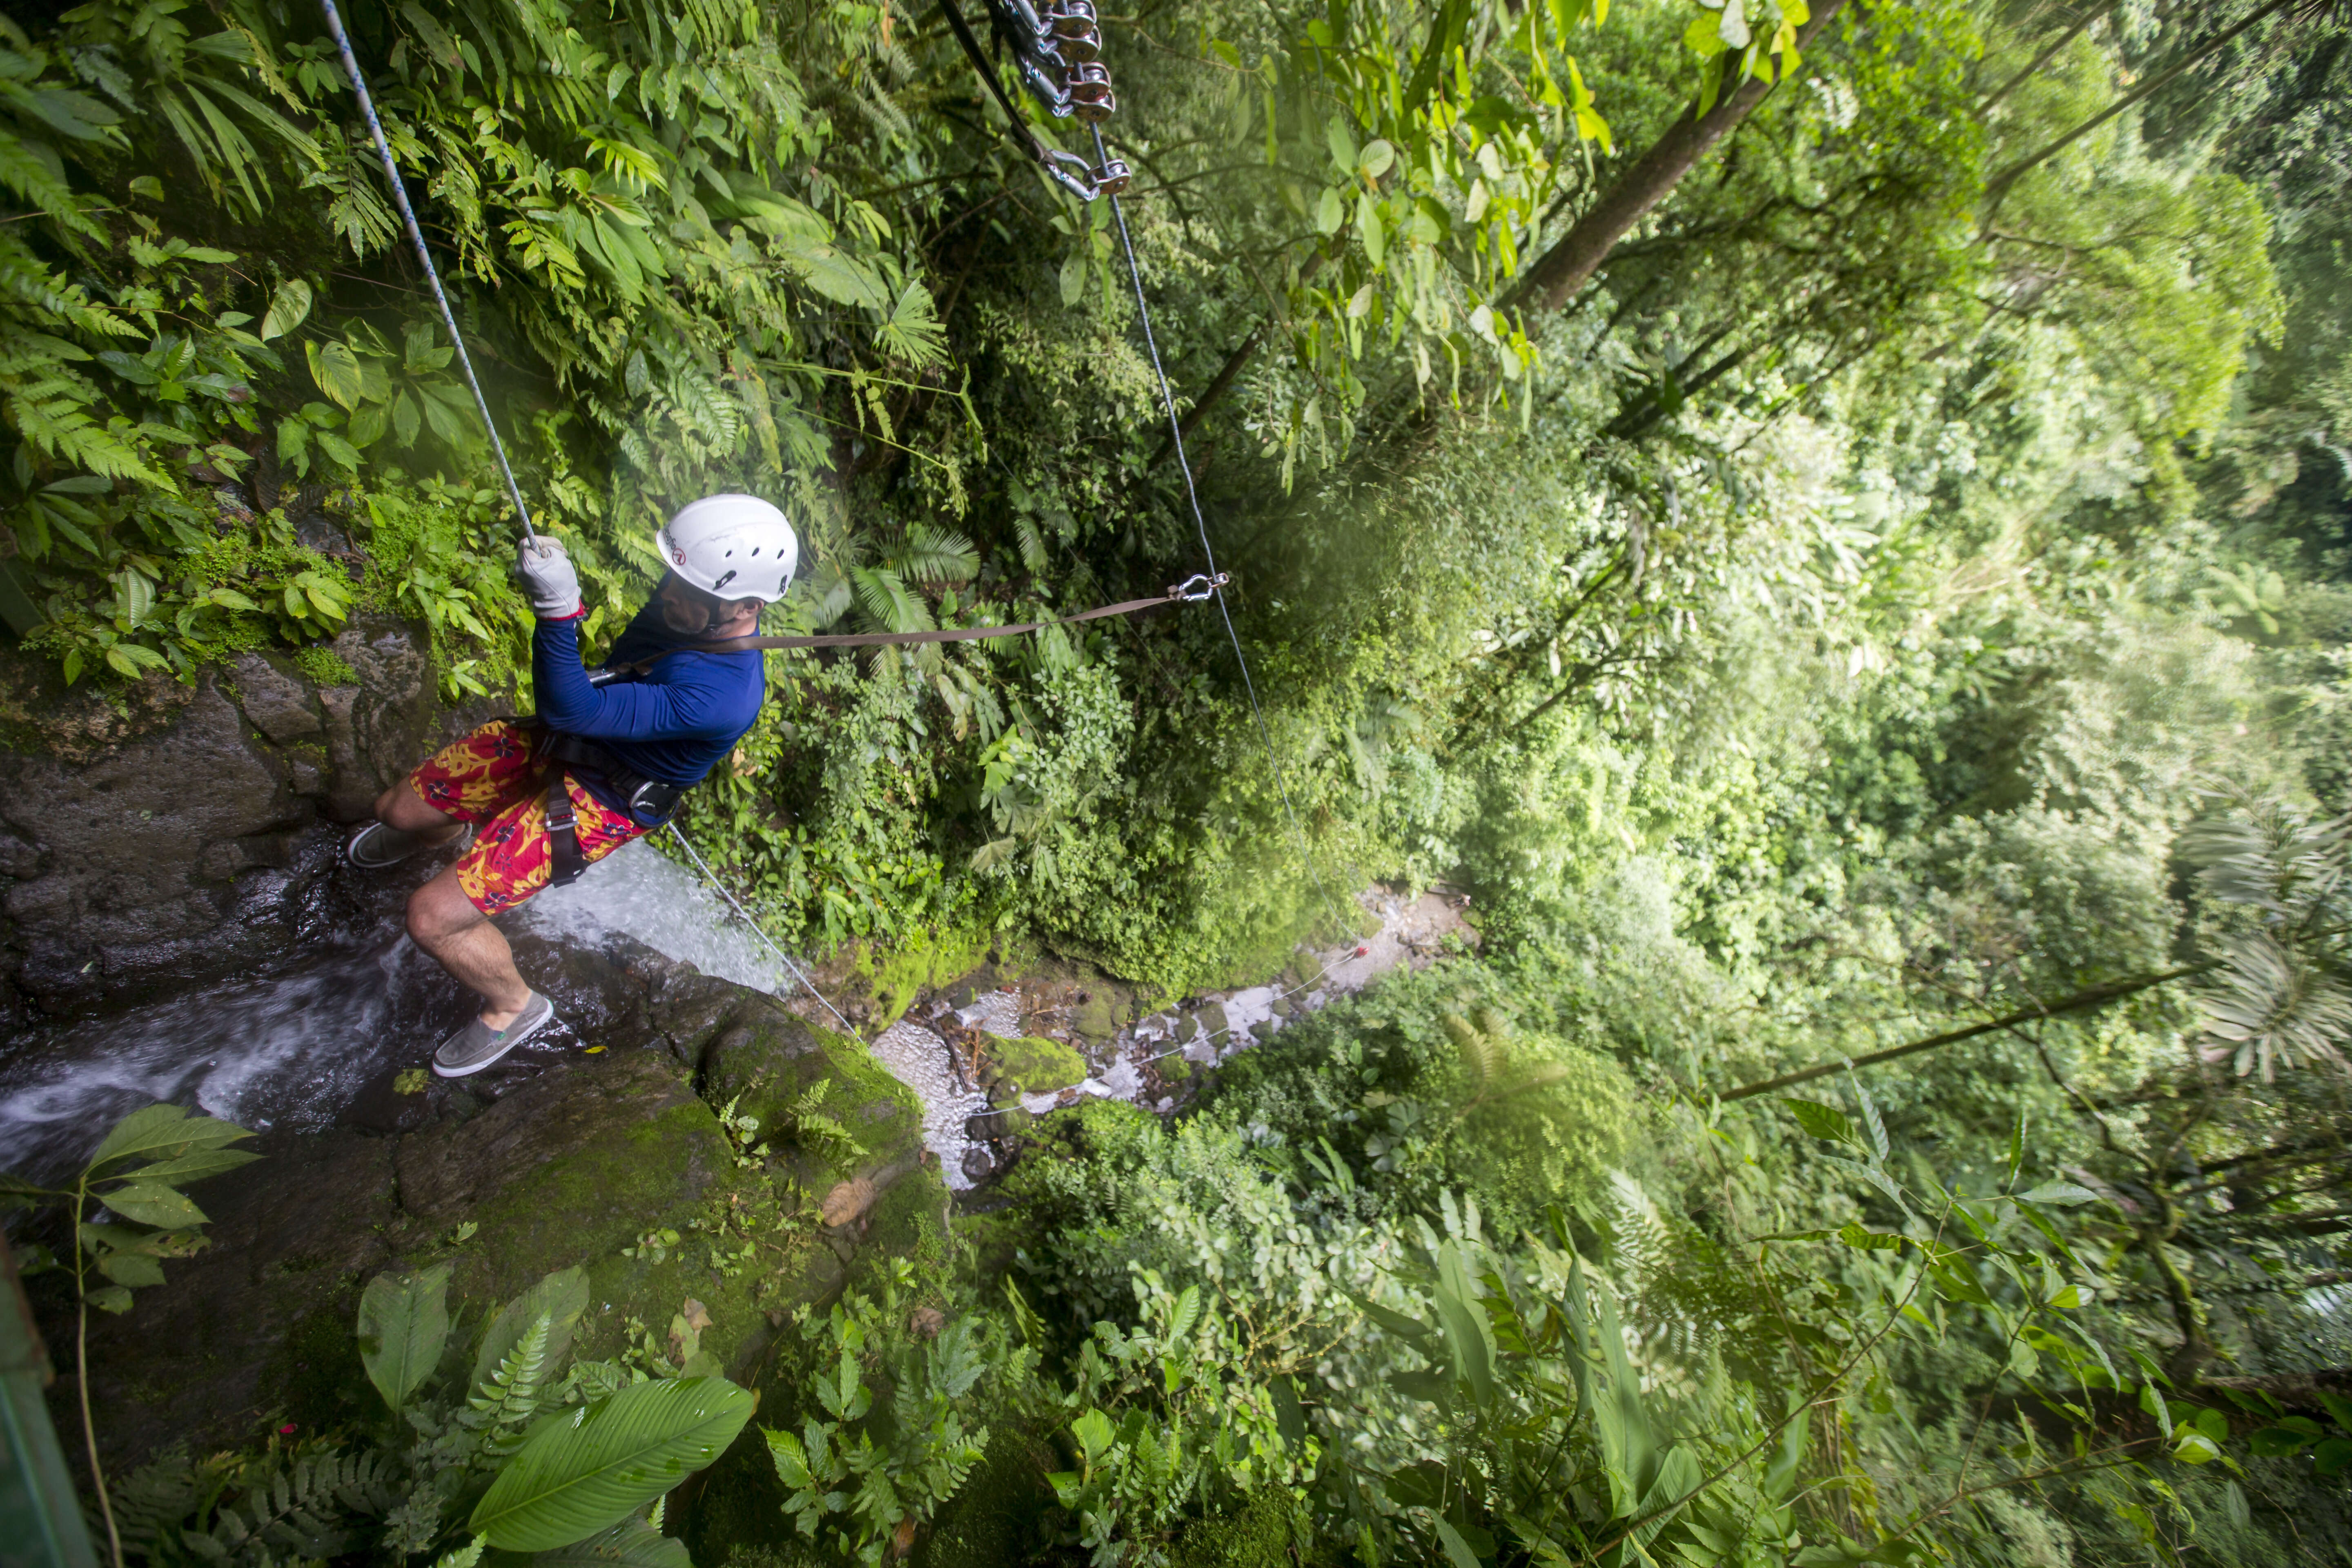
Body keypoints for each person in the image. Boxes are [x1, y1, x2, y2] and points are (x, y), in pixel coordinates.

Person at [346, 494, 795, 1078]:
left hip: (603, 798)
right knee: (396, 810)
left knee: (430, 917)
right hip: (575, 742)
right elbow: (585, 705)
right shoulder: (688, 610)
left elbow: (572, 709)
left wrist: (559, 613)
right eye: (672, 578)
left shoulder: (722, 696)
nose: (666, 595)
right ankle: (441, 835)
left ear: (746, 608)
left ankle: (514, 1006)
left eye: (688, 592)